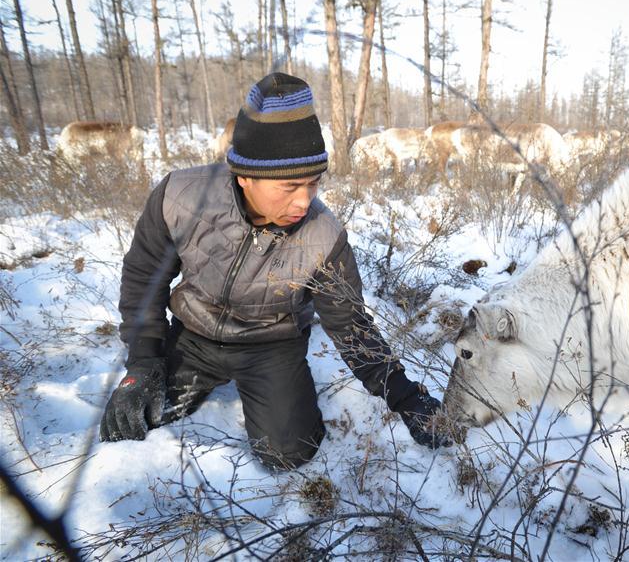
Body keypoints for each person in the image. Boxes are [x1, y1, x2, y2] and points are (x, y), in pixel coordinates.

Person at [100, 73, 451, 469]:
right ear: (245, 176)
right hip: (193, 339)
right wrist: (143, 362)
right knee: (134, 421)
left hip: (271, 347)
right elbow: (144, 280)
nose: (304, 200)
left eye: (314, 183)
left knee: (290, 454)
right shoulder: (181, 197)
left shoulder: (324, 235)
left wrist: (405, 397)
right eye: (290, 186)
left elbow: (350, 326)